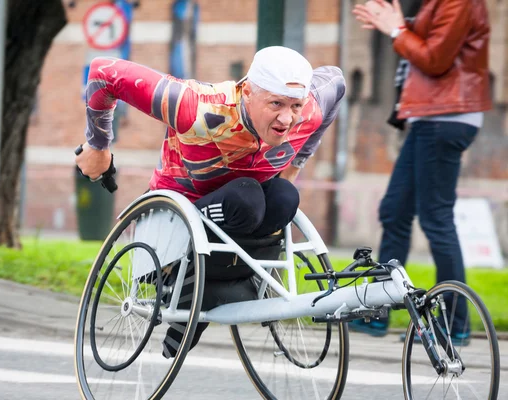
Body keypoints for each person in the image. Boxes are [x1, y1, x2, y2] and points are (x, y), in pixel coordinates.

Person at [75, 46, 346, 357]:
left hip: (244, 216)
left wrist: (296, 165)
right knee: (246, 197)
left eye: (295, 105)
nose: (287, 118)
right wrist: (98, 146)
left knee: (285, 196)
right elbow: (103, 71)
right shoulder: (195, 106)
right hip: (176, 219)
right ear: (247, 92)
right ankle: (191, 289)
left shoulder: (309, 110)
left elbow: (336, 83)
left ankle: (233, 284)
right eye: (276, 103)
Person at [351, 0, 492, 343]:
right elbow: (434, 34)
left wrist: (398, 30)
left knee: (435, 218)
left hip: (445, 117)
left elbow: (436, 58)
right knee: (395, 210)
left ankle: (454, 324)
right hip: (430, 118)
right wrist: (399, 24)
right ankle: (379, 311)